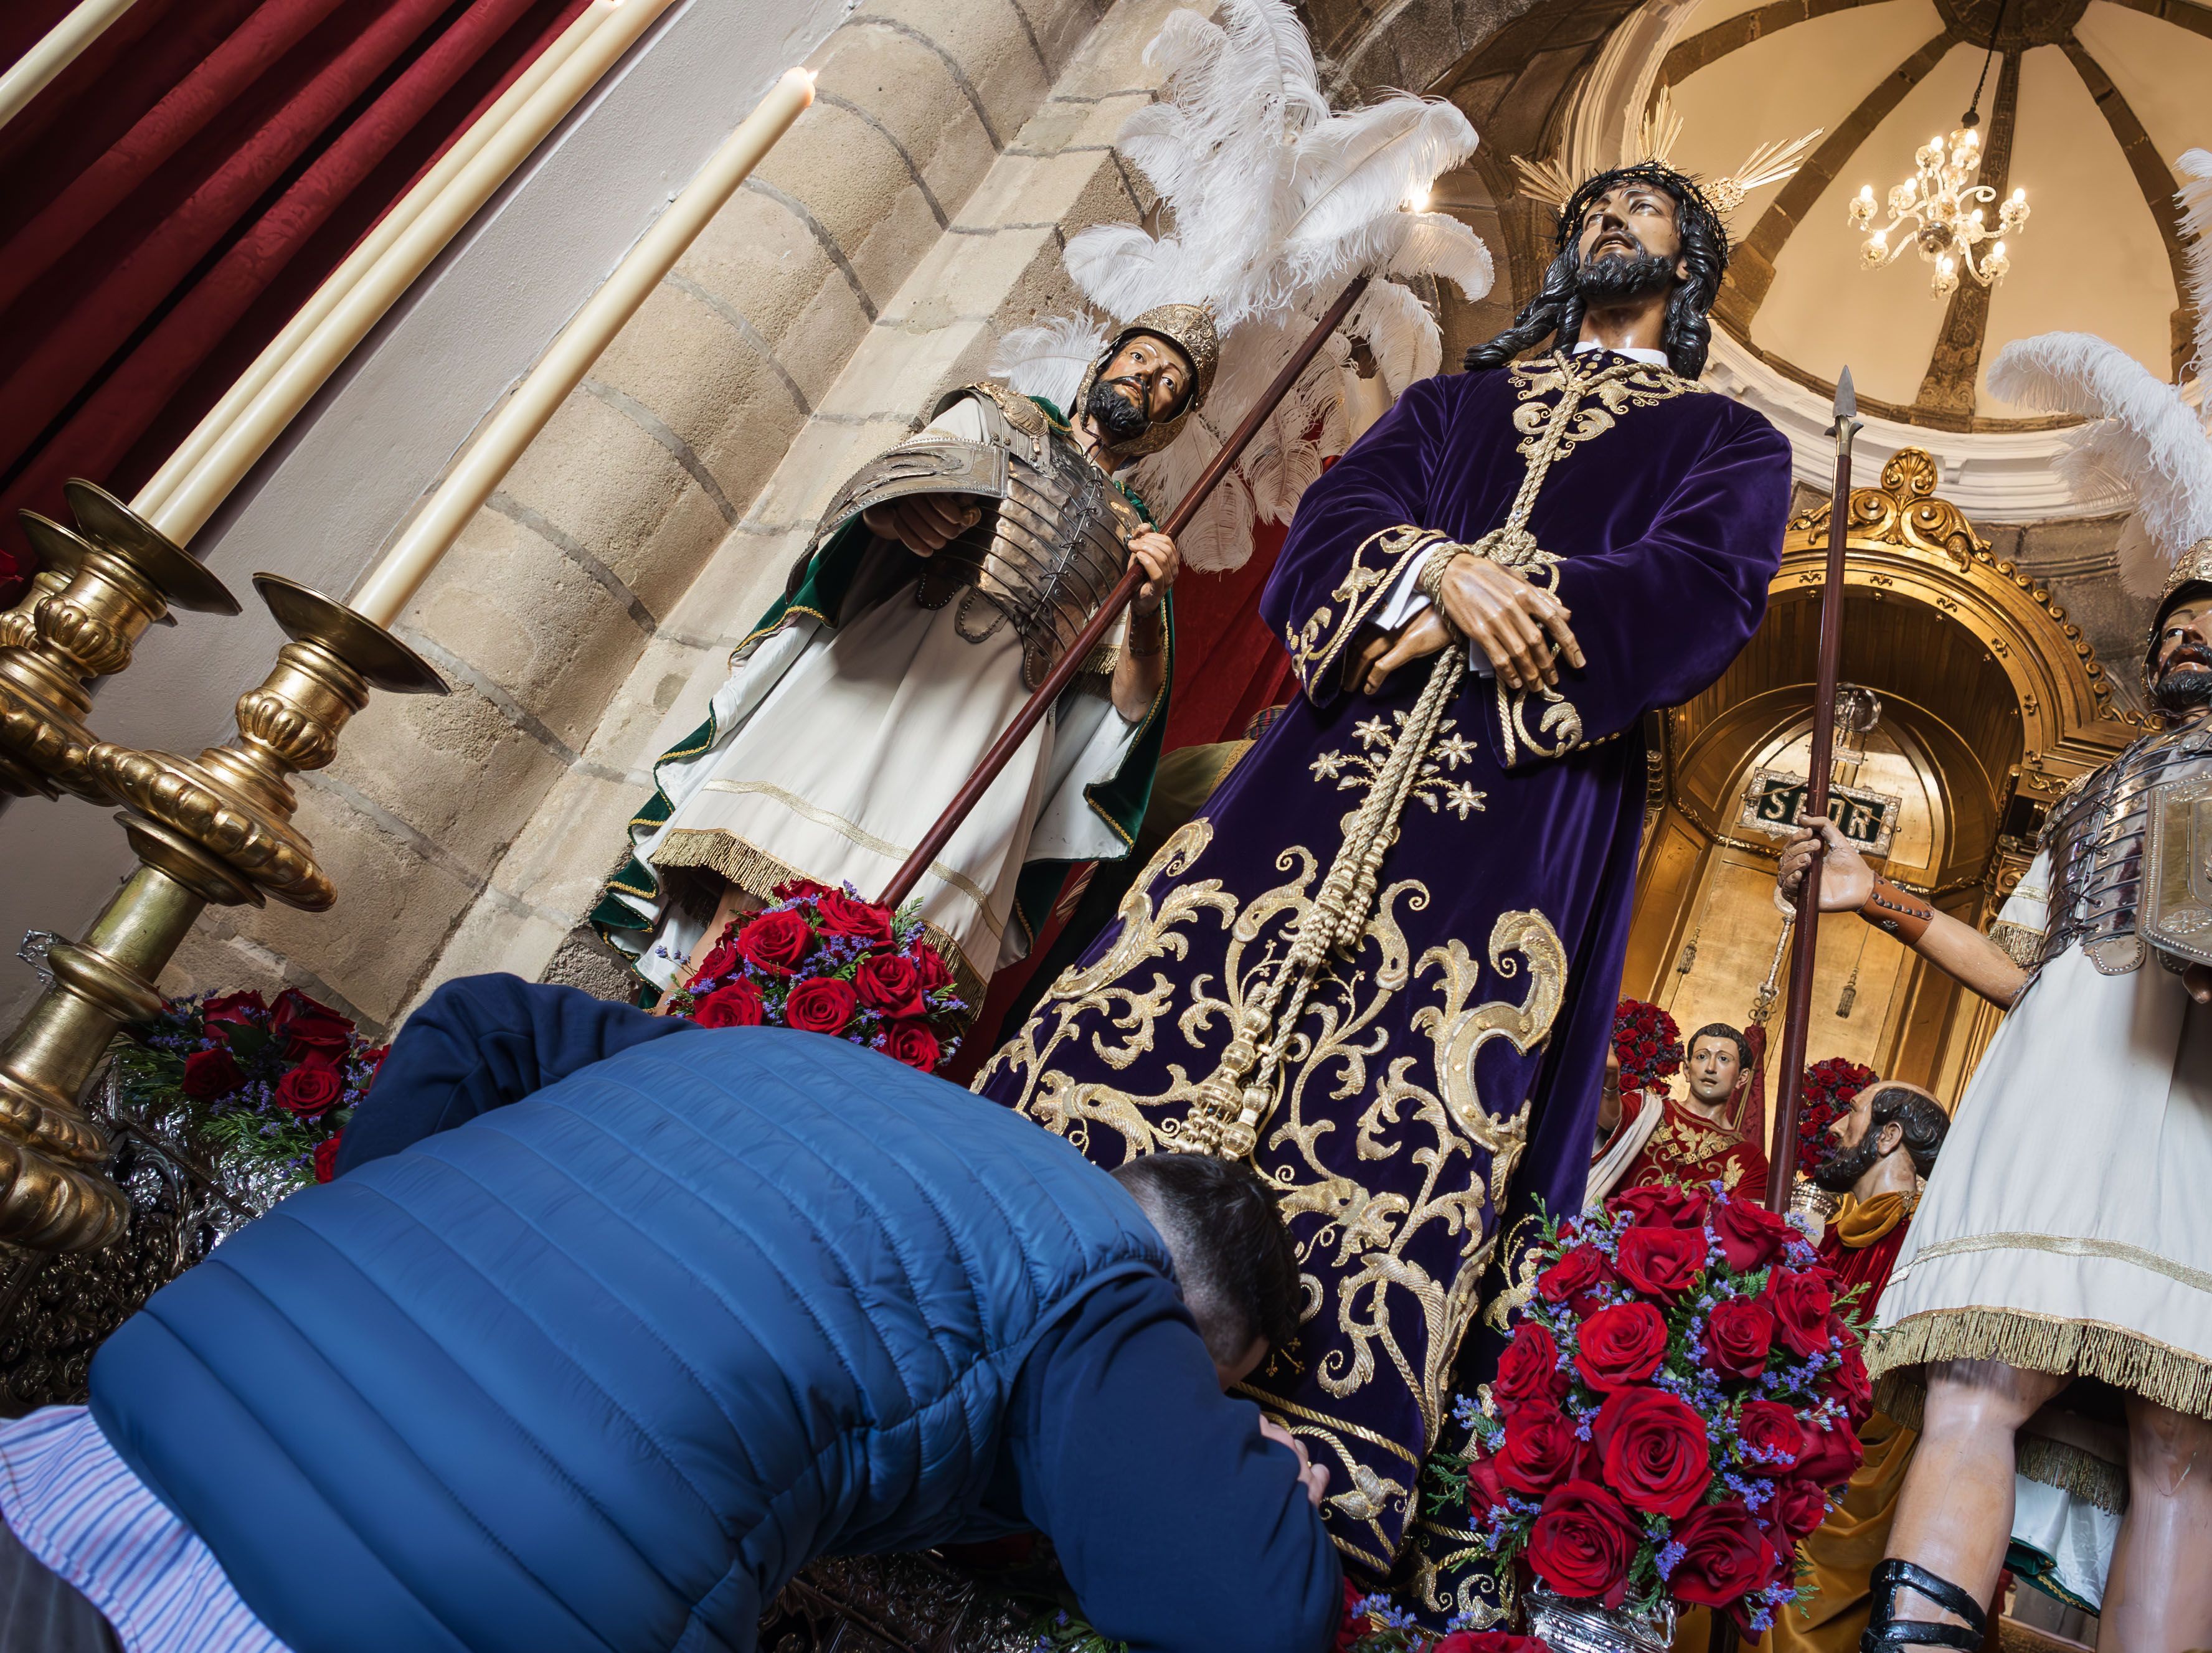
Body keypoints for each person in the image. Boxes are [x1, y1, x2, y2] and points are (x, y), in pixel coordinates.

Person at [978, 161, 1792, 1575]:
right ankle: (994, 1300)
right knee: (1172, 996)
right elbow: (1337, 538)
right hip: (1326, 770)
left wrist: (1510, 601)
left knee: (1429, 1083)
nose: (1609, 220)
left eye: (1648, 211)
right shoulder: (1457, 408)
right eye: (1597, 205)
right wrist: (1431, 570)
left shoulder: (1727, 439)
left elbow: (1702, 589)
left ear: (1693, 262)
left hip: (1527, 801)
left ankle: (1291, 1458)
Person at [0, 974, 1341, 1653]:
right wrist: (1250, 1472)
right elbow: (1243, 1610)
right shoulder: (1100, 1273)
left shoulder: (789, 1057)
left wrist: (386, 1232)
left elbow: (477, 1023)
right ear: (1188, 1319)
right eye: (1205, 1384)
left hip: (93, 1451)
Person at [1777, 540, 2212, 1653]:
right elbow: (2022, 963)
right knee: (1974, 1380)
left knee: (2178, 1435)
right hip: (2051, 1076)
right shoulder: (2097, 785)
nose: (2189, 635)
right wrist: (1877, 895)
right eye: (2177, 623)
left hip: (2203, 1075)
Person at [592, 309, 1219, 1013]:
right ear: (1103, 362)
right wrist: (906, 511)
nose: (1146, 377)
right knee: (767, 870)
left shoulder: (1137, 536)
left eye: (1169, 382)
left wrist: (1144, 605)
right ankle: (667, 1025)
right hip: (897, 670)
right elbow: (887, 490)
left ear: (1173, 422)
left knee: (877, 954)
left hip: (992, 746)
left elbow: (1133, 705)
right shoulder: (1002, 418)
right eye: (1137, 357)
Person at [1767, 1081, 1950, 1653]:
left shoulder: (1916, 1244)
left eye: (1852, 1113)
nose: (1836, 1126)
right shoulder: (1840, 1233)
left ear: (1888, 1136)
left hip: (1843, 1489)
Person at [1589, 1016, 1767, 1199]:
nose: (1711, 1068)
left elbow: (1747, 1222)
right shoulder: (1647, 1109)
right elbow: (1610, 1120)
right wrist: (1610, 1082)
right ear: (1687, 1070)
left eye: (1723, 1059)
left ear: (1742, 1077)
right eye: (1702, 1057)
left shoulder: (1751, 1161)